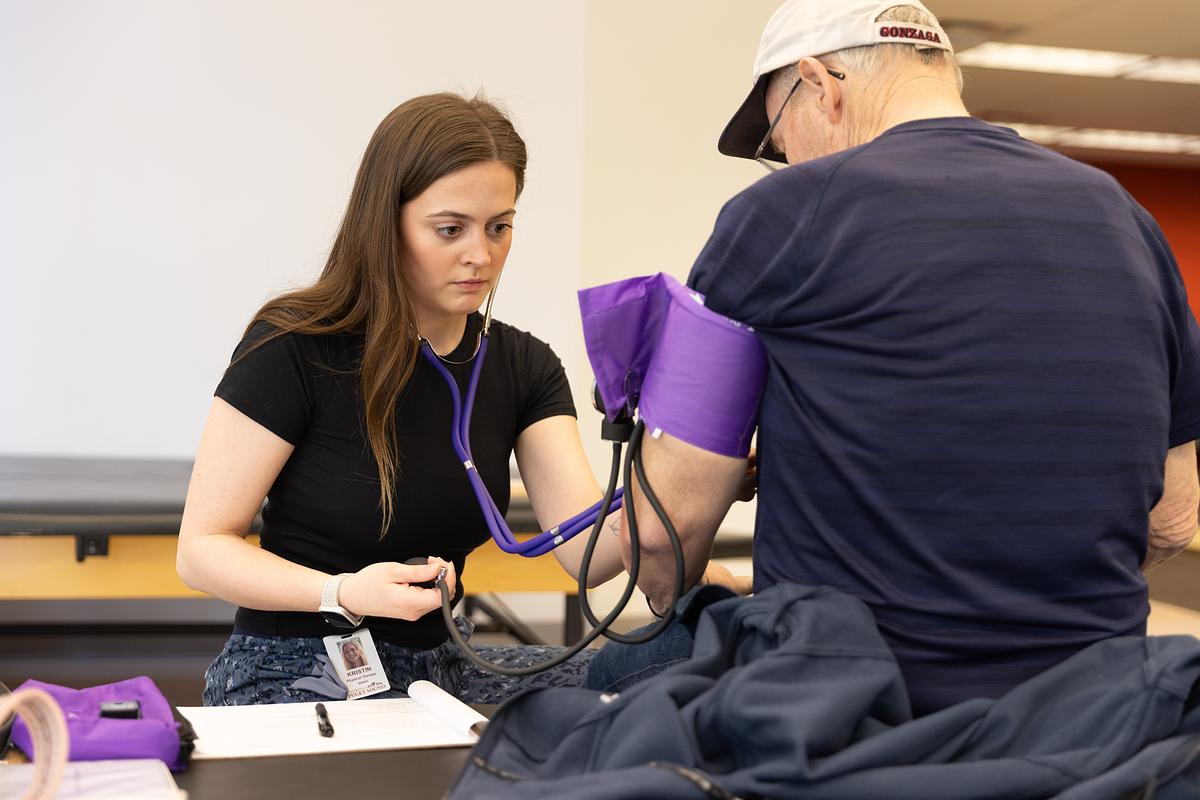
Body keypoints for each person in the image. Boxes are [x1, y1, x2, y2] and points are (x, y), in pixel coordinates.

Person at [587, 0, 1200, 715]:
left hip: (851, 711)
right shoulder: (1127, 219)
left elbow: (662, 531)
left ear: (820, 84)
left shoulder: (782, 214)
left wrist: (691, 598)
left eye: (776, 140)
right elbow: (1171, 517)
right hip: (1097, 717)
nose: (781, 161)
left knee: (597, 678)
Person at [177, 92, 631, 706]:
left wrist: (678, 485)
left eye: (500, 226)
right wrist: (343, 592)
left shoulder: (524, 365)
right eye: (450, 230)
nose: (482, 254)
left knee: (658, 673)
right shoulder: (294, 345)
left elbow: (585, 551)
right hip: (294, 661)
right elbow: (200, 552)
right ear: (386, 221)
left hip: (444, 662)